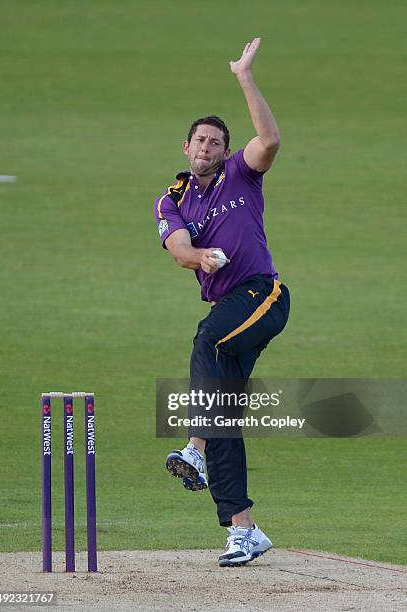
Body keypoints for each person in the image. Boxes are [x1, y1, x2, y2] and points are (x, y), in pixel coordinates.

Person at [153, 38, 290, 567]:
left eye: (215, 142)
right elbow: (179, 248)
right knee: (226, 415)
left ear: (223, 149)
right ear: (186, 147)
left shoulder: (241, 172)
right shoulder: (174, 198)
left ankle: (194, 447)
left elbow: (270, 138)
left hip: (263, 295)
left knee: (208, 336)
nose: (207, 148)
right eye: (200, 141)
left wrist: (244, 76)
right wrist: (199, 256)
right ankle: (244, 529)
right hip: (228, 303)